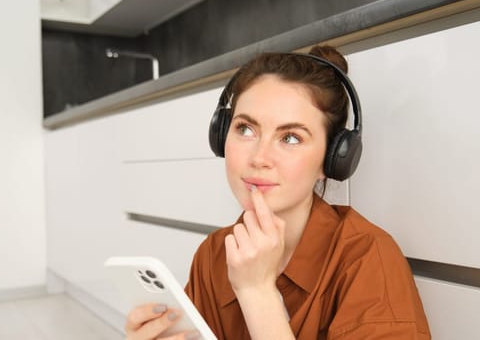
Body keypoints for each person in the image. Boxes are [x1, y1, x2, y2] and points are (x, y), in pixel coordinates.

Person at [124, 45, 430, 340]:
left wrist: (257, 292)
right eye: (245, 129)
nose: (259, 157)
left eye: (291, 138)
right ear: (221, 136)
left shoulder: (369, 259)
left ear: (331, 159)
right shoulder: (214, 254)